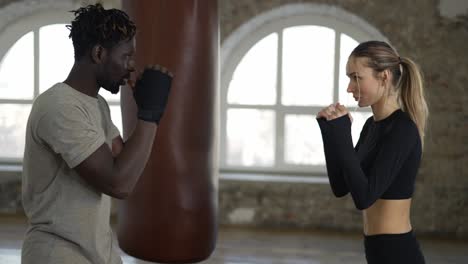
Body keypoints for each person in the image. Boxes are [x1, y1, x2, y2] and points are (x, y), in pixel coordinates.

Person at [21, 3, 172, 264]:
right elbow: (119, 183)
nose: (131, 66)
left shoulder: (97, 105)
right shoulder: (60, 106)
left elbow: (127, 166)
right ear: (99, 53)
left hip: (97, 250)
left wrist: (147, 108)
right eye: (126, 56)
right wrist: (150, 114)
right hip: (58, 253)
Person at [317, 40, 428, 264]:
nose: (349, 87)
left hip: (398, 252)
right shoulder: (371, 126)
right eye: (349, 78)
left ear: (384, 77)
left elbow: (364, 197)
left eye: (356, 77)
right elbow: (340, 186)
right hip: (377, 249)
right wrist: (330, 134)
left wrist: (343, 135)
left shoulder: (402, 130)